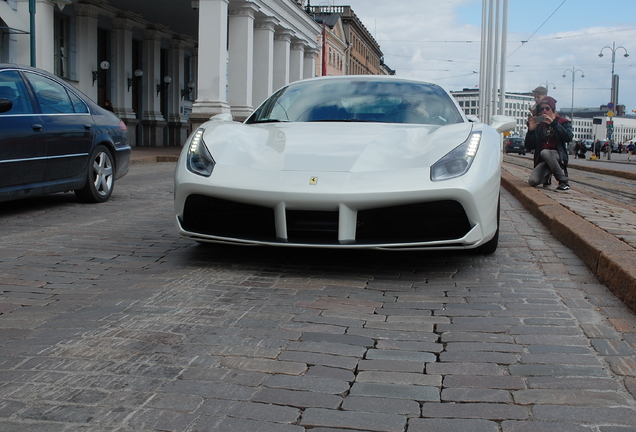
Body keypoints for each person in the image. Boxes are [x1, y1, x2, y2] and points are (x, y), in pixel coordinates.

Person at [524, 96, 572, 192]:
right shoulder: (539, 125)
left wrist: (554, 124)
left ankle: (564, 182)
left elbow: (568, 137)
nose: (544, 111)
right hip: (543, 159)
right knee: (533, 181)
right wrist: (531, 131)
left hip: (557, 155)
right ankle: (547, 175)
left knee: (545, 152)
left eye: (547, 108)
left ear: (553, 109)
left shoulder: (563, 122)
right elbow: (528, 147)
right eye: (542, 109)